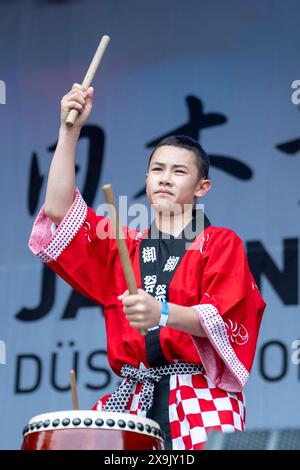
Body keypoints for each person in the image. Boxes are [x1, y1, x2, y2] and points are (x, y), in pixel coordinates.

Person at [28, 83, 266, 450]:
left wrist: (164, 313)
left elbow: (222, 318)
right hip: (136, 399)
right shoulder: (123, 244)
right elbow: (60, 211)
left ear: (202, 187)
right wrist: (68, 131)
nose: (165, 178)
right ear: (146, 180)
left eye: (178, 171)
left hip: (201, 398)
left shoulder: (219, 243)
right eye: (157, 169)